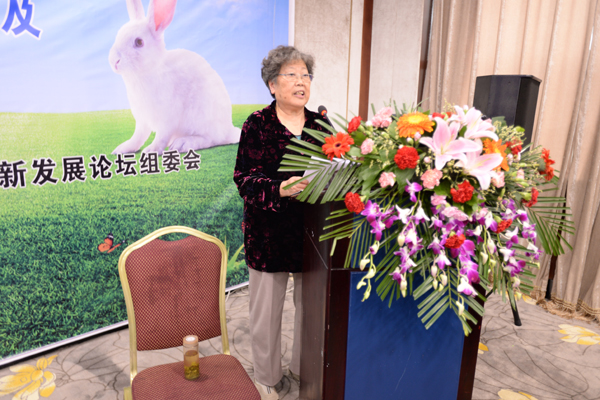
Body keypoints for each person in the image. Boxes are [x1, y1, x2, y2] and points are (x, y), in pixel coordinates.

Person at [233, 45, 327, 400]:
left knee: (311, 309)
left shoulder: (320, 125)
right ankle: (267, 376)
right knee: (266, 313)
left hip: (312, 235)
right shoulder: (257, 124)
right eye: (292, 75)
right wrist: (279, 189)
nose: (301, 82)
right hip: (268, 235)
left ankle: (304, 368)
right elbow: (244, 178)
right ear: (272, 85)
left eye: (306, 75)